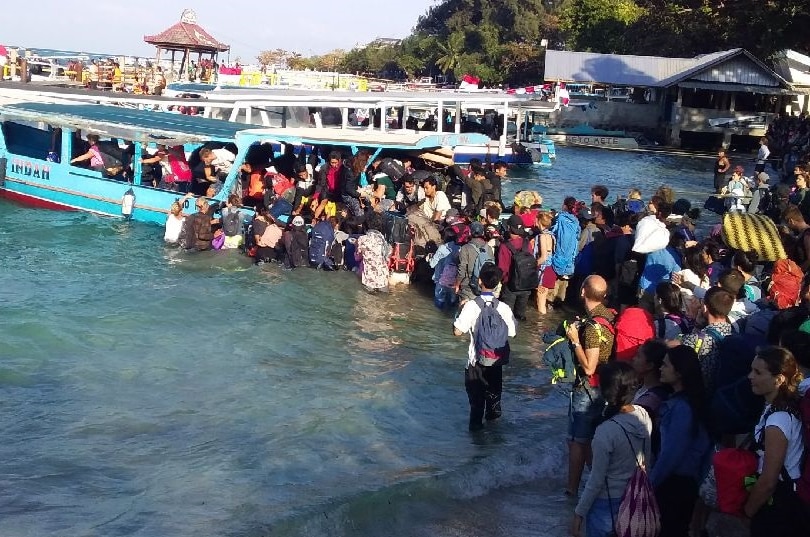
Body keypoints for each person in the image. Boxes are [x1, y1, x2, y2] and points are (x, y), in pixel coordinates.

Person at [571, 362, 652, 537]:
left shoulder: (605, 431)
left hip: (606, 504)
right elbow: (647, 461)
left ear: (604, 391)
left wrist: (579, 513)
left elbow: (596, 480)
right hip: (635, 498)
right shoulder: (643, 415)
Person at [744, 346, 808, 536]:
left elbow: (769, 479)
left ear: (778, 379)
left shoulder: (778, 419)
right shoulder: (777, 407)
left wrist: (748, 511)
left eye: (757, 372)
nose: (750, 376)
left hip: (781, 505)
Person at [650, 345, 712, 537]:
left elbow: (671, 454)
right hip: (688, 483)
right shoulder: (694, 402)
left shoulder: (681, 408)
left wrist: (649, 485)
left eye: (666, 365)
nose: (661, 368)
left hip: (673, 484)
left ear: (679, 372)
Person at [565, 275, 616, 497]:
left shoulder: (593, 327)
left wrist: (575, 340)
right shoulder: (609, 316)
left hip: (588, 388)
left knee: (578, 441)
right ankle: (598, 480)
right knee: (589, 440)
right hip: (604, 386)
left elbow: (589, 366)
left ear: (584, 291)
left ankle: (573, 489)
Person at [453, 263, 517, 431]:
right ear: (497, 284)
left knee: (476, 408)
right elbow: (512, 333)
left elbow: (457, 332)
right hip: (496, 362)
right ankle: (494, 447)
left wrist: (460, 310)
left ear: (480, 281)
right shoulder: (503, 307)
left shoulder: (471, 306)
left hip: (476, 363)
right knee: (494, 407)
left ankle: (477, 448)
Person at [497, 214, 535, 321]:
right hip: (525, 285)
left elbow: (502, 269)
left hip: (510, 286)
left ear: (509, 228)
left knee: (505, 317)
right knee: (520, 316)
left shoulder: (504, 246)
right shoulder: (527, 244)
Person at [354, 212, 389, 293]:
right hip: (383, 276)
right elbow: (386, 255)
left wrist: (356, 246)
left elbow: (357, 258)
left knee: (367, 303)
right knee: (383, 302)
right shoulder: (382, 239)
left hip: (369, 278)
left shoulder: (362, 239)